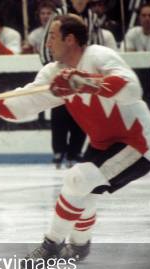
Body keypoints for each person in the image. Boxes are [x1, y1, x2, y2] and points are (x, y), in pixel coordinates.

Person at [0, 14, 150, 265]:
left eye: (51, 36)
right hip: (104, 144)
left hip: (137, 144)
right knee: (84, 190)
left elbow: (132, 89)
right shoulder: (54, 73)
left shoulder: (98, 55)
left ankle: (52, 245)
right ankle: (80, 246)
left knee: (78, 179)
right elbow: (24, 104)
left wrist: (87, 83)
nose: (47, 43)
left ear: (69, 39)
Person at [40, 0, 104, 169]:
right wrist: (55, 69)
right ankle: (59, 150)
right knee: (60, 112)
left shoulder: (92, 17)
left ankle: (75, 151)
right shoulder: (58, 15)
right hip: (61, 70)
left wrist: (89, 67)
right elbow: (47, 42)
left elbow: (98, 43)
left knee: (82, 114)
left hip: (82, 72)